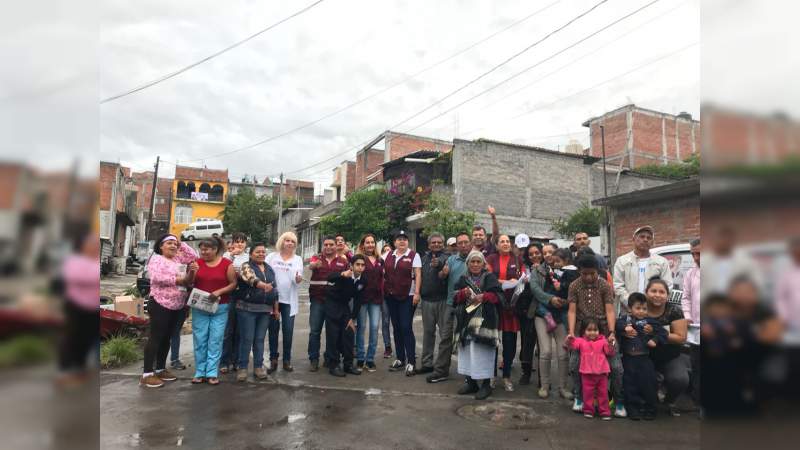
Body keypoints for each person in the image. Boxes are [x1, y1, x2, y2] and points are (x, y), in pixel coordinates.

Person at [567, 254, 626, 417]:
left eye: (592, 273)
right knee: (574, 364)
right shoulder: (574, 286)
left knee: (616, 367)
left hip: (604, 332)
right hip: (582, 332)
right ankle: (579, 397)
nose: (588, 277)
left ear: (597, 271)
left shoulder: (605, 286)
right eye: (584, 273)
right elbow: (572, 310)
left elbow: (609, 309)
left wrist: (612, 332)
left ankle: (619, 400)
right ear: (579, 271)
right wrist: (572, 332)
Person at [140, 234, 198, 388]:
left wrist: (181, 244)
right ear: (161, 246)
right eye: (169, 243)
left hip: (178, 304)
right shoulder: (157, 259)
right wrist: (182, 280)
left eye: (175, 244)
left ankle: (160, 369)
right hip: (160, 303)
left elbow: (193, 255)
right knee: (156, 337)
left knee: (167, 338)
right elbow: (158, 278)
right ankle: (147, 374)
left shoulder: (177, 259)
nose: (173, 246)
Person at [453, 250, 503, 400]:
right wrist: (462, 294)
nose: (475, 264)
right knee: (468, 351)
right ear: (467, 264)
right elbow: (454, 297)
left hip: (485, 322)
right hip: (465, 321)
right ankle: (471, 382)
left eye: (478, 262)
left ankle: (486, 385)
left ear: (483, 264)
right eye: (472, 262)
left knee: (483, 351)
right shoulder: (463, 279)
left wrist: (485, 296)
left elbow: (499, 297)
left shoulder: (490, 277)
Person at [190, 236, 237, 385]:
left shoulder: (226, 264)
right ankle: (199, 372)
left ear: (215, 249)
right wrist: (191, 272)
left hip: (220, 307)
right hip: (199, 307)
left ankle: (211, 372)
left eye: (206, 249)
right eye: (201, 249)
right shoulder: (196, 263)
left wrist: (219, 291)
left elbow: (233, 284)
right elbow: (189, 282)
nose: (203, 252)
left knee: (215, 340)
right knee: (200, 339)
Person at [57, 233, 100, 387]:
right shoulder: (74, 260)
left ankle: (79, 370)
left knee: (87, 339)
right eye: (91, 243)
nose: (95, 247)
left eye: (96, 244)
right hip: (76, 305)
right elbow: (76, 277)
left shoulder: (96, 262)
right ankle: (65, 372)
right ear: (83, 246)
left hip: (93, 307)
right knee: (71, 338)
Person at [531, 247, 575, 399]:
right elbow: (535, 289)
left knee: (563, 353)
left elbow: (572, 290)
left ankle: (563, 387)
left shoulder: (569, 271)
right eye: (545, 253)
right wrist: (550, 299)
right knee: (546, 352)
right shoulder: (537, 270)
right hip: (542, 315)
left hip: (561, 313)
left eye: (551, 252)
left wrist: (563, 301)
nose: (548, 255)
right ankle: (544, 386)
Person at [617, 293, 668, 420]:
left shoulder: (650, 322)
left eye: (644, 309)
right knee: (629, 384)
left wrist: (655, 340)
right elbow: (616, 325)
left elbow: (664, 333)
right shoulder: (625, 320)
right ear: (629, 308)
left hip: (644, 358)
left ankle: (650, 408)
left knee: (648, 383)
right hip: (628, 359)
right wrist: (625, 328)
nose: (641, 311)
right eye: (638, 308)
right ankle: (633, 408)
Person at [642, 277, 689, 417]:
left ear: (667, 295)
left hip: (670, 356)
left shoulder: (674, 311)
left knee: (680, 379)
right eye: (653, 291)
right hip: (644, 356)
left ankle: (669, 401)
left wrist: (656, 332)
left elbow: (681, 337)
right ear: (646, 292)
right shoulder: (639, 308)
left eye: (662, 292)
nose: (657, 295)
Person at [430, 232, 472, 384]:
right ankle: (441, 371)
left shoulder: (475, 259)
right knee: (446, 338)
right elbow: (442, 276)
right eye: (459, 243)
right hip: (450, 303)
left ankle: (470, 375)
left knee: (468, 339)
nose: (462, 245)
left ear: (470, 243)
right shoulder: (451, 259)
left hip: (470, 305)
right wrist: (443, 272)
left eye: (465, 242)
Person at [485, 234, 524, 392]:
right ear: (497, 244)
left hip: (511, 306)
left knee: (510, 343)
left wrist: (521, 281)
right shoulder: (491, 258)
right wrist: (505, 283)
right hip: (495, 304)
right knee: (492, 342)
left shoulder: (517, 259)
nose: (506, 243)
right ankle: (491, 375)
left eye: (508, 241)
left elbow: (522, 277)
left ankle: (506, 375)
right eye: (502, 241)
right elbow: (488, 277)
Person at [236, 243, 279, 382]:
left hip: (265, 310)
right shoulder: (246, 266)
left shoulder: (270, 269)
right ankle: (242, 367)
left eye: (263, 252)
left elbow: (275, 290)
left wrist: (276, 309)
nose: (261, 254)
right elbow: (251, 279)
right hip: (247, 308)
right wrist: (263, 285)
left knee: (260, 339)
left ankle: (258, 367)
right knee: (247, 339)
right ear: (250, 254)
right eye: (257, 252)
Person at [307, 236, 350, 371]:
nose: (328, 247)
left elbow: (346, 278)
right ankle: (314, 359)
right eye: (326, 244)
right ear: (323, 246)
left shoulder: (343, 261)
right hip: (318, 300)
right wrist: (314, 266)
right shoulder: (316, 258)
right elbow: (311, 265)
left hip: (335, 303)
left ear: (336, 246)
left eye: (331, 244)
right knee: (315, 331)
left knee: (333, 333)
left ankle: (329, 357)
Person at [384, 230, 422, 376]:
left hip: (408, 296)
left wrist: (417, 293)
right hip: (391, 296)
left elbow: (418, 274)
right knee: (397, 327)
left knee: (406, 327)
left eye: (404, 239)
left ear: (408, 242)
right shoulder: (388, 255)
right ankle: (400, 359)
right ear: (394, 242)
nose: (402, 241)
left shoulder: (413, 255)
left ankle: (411, 361)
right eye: (399, 239)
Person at [265, 231, 304, 373]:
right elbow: (265, 274)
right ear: (282, 241)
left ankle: (287, 360)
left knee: (288, 332)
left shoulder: (298, 259)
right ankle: (273, 359)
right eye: (287, 240)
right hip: (273, 300)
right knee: (273, 331)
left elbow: (297, 277)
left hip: (289, 301)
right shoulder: (271, 257)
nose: (290, 243)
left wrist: (298, 278)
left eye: (293, 241)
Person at [612, 226, 673, 313]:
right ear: (633, 239)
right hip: (629, 311)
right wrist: (632, 303)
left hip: (654, 311)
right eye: (642, 237)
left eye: (649, 238)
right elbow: (618, 286)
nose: (645, 240)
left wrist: (654, 303)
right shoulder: (622, 261)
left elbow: (668, 286)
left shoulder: (661, 262)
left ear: (652, 242)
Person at [325, 254, 368, 376]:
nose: (360, 267)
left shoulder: (363, 280)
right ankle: (333, 365)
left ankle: (348, 365)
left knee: (349, 333)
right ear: (351, 266)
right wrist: (341, 274)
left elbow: (359, 300)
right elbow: (329, 277)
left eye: (362, 265)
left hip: (344, 306)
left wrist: (352, 318)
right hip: (332, 304)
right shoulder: (344, 273)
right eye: (357, 264)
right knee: (333, 335)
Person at [567, 319, 615, 420]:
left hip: (602, 373)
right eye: (589, 330)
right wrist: (569, 339)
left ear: (599, 331)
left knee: (603, 393)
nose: (592, 332)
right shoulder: (580, 341)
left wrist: (610, 343)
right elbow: (571, 346)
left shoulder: (603, 341)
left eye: (595, 330)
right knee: (587, 393)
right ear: (584, 331)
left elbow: (609, 352)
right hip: (586, 373)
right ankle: (588, 410)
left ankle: (605, 411)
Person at [419, 233, 450, 375]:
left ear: (443, 244)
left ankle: (442, 367)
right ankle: (427, 363)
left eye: (439, 242)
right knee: (428, 333)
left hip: (443, 301)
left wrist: (438, 264)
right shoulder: (423, 258)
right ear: (429, 244)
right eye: (433, 242)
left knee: (445, 335)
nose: (436, 244)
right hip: (426, 301)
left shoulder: (448, 258)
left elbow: (442, 264)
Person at [354, 234, 384, 372]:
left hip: (376, 299)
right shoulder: (359, 259)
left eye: (373, 242)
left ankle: (370, 359)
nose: (370, 245)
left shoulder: (380, 260)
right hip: (362, 298)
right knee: (361, 327)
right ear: (363, 245)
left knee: (374, 327)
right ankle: (360, 358)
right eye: (367, 242)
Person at [220, 232, 249, 374]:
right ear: (232, 243)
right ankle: (224, 361)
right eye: (237, 241)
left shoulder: (248, 257)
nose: (239, 244)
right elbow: (223, 269)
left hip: (243, 294)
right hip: (229, 294)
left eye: (242, 242)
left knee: (240, 331)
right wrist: (232, 255)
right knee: (227, 330)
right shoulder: (226, 256)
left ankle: (237, 361)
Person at [516, 242, 542, 386]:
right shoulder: (524, 268)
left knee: (543, 347)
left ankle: (542, 378)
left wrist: (540, 272)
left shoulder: (548, 267)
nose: (534, 256)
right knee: (527, 343)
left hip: (544, 311)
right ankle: (526, 372)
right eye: (531, 254)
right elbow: (519, 289)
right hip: (526, 311)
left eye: (537, 253)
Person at [682, 238, 701, 410]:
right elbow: (686, 298)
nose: (696, 257)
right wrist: (687, 315)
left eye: (699, 253)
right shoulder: (691, 274)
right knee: (698, 367)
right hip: (697, 328)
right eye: (693, 253)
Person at [774, 237, 800, 333]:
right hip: (794, 324)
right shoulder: (786, 274)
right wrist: (784, 317)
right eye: (795, 252)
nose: (798, 255)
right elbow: (780, 298)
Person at [380, 242, 394, 358]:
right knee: (385, 322)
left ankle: (406, 347)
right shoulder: (380, 264)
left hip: (396, 296)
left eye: (389, 250)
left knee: (400, 323)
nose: (387, 252)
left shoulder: (396, 262)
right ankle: (387, 347)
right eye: (385, 251)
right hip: (384, 297)